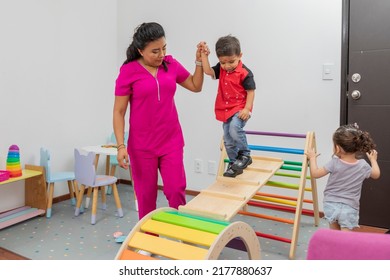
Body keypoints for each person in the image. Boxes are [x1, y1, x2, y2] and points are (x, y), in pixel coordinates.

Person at [113, 22, 204, 222]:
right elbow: (119, 112)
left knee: (176, 191)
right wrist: (121, 146)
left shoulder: (171, 65)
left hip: (171, 141)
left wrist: (199, 63)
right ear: (140, 50)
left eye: (164, 48)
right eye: (155, 51)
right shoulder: (128, 72)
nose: (161, 54)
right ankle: (148, 239)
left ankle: (181, 234)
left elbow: (196, 86)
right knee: (146, 197)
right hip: (141, 146)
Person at [306, 123, 380, 231]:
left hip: (330, 204)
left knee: (335, 235)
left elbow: (315, 173)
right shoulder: (363, 165)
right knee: (344, 240)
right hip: (349, 207)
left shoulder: (334, 163)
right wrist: (373, 160)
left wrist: (312, 158)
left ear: (337, 148)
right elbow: (376, 174)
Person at [199, 35, 255, 177]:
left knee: (234, 128)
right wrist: (204, 56)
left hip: (240, 109)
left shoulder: (245, 73)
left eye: (231, 61)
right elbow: (208, 71)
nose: (227, 66)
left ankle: (245, 155)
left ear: (240, 56)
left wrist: (247, 109)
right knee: (228, 139)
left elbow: (251, 91)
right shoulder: (222, 69)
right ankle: (234, 162)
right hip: (225, 109)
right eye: (223, 62)